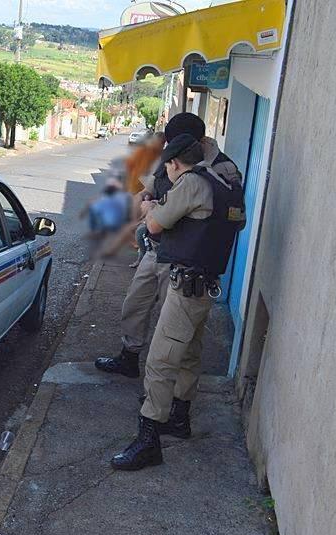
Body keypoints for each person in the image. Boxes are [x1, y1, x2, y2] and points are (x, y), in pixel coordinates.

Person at [110, 134, 246, 470]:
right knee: (188, 355)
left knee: (160, 360)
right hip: (204, 286)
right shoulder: (222, 178)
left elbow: (155, 225)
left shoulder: (191, 182)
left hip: (186, 286)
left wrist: (148, 208)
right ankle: (180, 420)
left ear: (173, 163)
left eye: (168, 165)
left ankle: (148, 440)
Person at [93, 112, 241, 379]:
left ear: (198, 142)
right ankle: (130, 357)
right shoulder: (173, 156)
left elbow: (231, 218)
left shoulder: (222, 169)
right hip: (156, 247)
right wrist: (142, 206)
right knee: (135, 304)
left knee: (171, 328)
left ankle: (163, 387)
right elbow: (150, 190)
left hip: (185, 257)